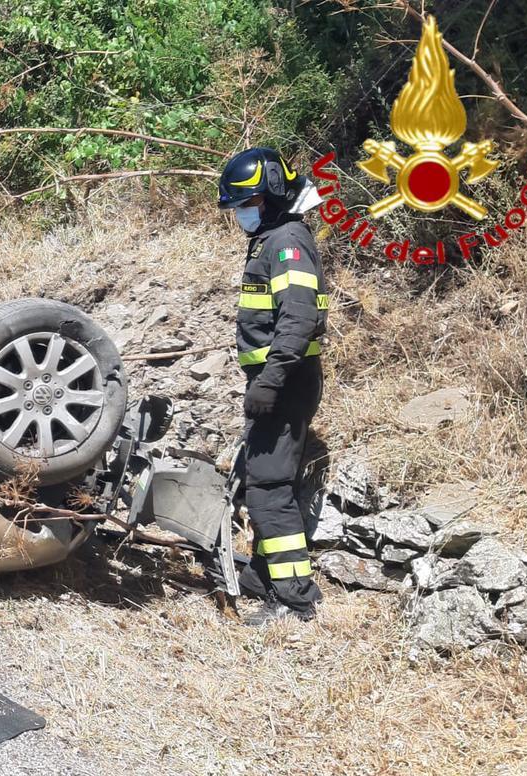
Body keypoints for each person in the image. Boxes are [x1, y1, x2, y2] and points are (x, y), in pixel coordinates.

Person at [217, 146, 329, 626]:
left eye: (250, 202)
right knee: (262, 483)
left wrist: (270, 382)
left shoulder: (288, 243)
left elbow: (298, 320)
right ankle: (265, 579)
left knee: (269, 488)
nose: (243, 213)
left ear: (273, 196)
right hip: (278, 380)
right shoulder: (272, 238)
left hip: (284, 382)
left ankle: (294, 597)